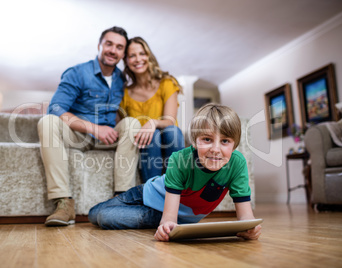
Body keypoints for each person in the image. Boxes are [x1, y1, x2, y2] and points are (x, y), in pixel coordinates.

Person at [88, 103, 262, 242]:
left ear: (234, 144)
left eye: (225, 141)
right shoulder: (179, 159)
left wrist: (250, 228)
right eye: (207, 139)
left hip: (173, 217)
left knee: (105, 217)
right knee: (96, 215)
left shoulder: (237, 163)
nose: (216, 149)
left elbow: (245, 215)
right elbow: (169, 217)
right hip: (146, 195)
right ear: (194, 141)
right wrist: (167, 224)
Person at [38, 26, 141, 226]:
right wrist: (94, 128)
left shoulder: (121, 79)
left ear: (123, 53)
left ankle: (122, 200)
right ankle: (63, 203)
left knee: (132, 123)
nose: (113, 50)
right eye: (109, 44)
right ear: (99, 45)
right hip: (79, 135)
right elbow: (56, 108)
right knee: (47, 121)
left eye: (119, 47)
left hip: (108, 138)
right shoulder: (78, 72)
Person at [119, 37, 185, 182]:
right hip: (145, 145)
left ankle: (177, 187)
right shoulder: (124, 93)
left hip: (170, 139)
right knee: (152, 135)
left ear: (149, 56)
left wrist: (152, 123)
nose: (138, 59)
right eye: (132, 55)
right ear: (126, 61)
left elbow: (170, 120)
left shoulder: (167, 83)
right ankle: (153, 191)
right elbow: (122, 127)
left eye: (142, 53)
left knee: (172, 131)